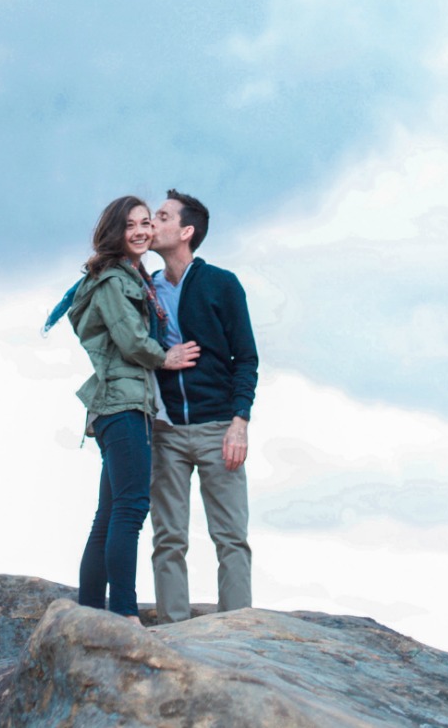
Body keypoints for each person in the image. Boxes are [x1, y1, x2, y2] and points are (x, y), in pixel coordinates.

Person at [66, 196, 199, 620]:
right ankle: (122, 613)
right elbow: (128, 337)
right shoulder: (112, 280)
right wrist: (165, 357)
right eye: (131, 225)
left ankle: (90, 611)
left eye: (146, 223)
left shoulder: (131, 277)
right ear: (114, 232)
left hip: (123, 406)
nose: (141, 231)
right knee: (131, 506)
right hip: (122, 407)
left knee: (109, 513)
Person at [146, 190, 258, 624]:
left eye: (161, 216)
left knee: (231, 537)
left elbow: (245, 358)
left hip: (218, 428)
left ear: (186, 231)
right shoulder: (144, 288)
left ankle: (237, 632)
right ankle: (174, 634)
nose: (151, 224)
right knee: (168, 537)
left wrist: (239, 422)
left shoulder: (222, 284)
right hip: (165, 430)